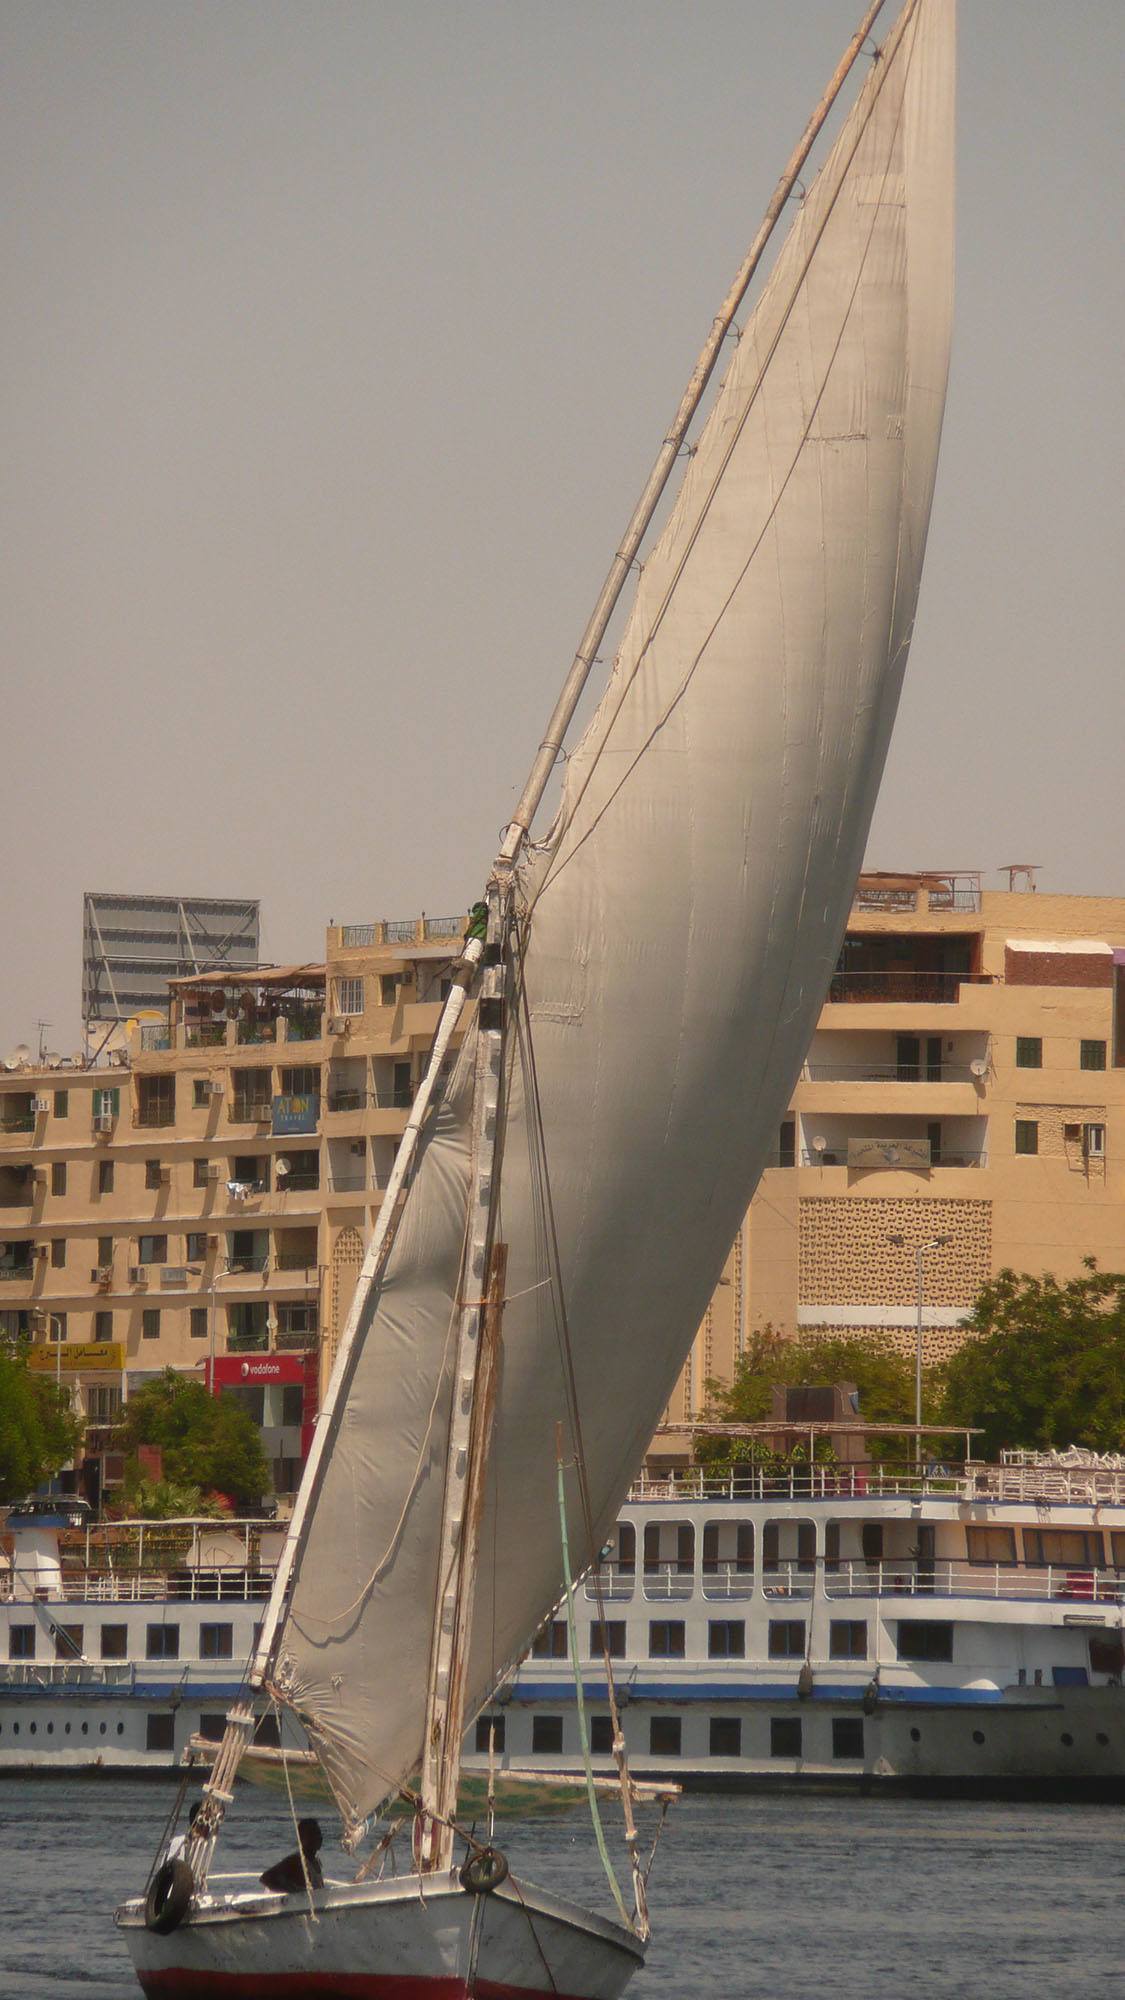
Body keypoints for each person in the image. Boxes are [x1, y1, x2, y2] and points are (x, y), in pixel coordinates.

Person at [259, 1817, 324, 1894]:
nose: (319, 1838)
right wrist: (292, 1891)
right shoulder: (296, 1861)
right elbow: (265, 1878)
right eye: (313, 1835)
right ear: (301, 1838)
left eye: (319, 1833)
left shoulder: (316, 1860)